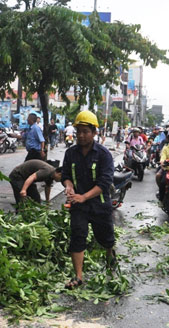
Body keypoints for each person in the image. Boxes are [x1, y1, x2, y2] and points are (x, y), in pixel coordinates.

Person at [61, 110, 115, 289]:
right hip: (78, 205)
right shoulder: (70, 153)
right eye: (79, 131)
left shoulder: (104, 155)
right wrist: (68, 186)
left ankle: (110, 261)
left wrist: (84, 196)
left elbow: (105, 182)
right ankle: (78, 276)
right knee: (77, 236)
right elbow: (66, 175)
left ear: (94, 133)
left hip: (99, 205)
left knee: (106, 238)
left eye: (86, 131)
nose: (82, 135)